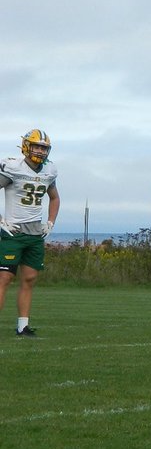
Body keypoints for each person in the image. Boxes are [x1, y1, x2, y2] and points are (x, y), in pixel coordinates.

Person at [0, 129, 60, 337]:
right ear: (26, 146)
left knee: (29, 280)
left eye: (43, 148)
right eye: (36, 146)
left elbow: (54, 198)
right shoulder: (13, 167)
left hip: (35, 234)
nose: (40, 151)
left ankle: (22, 326)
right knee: (4, 279)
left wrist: (50, 222)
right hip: (13, 231)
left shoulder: (49, 171)